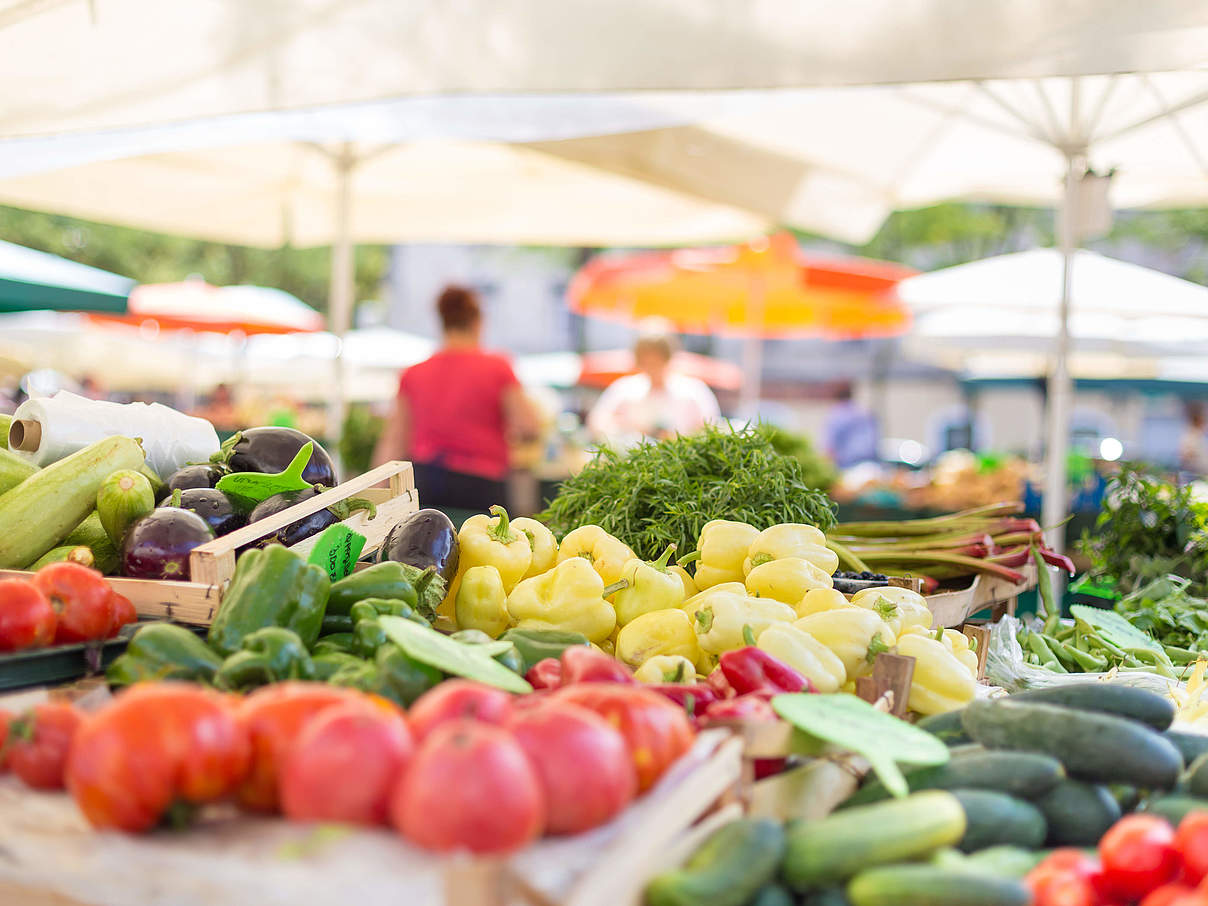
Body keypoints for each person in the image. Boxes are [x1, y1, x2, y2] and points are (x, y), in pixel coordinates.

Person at [372, 285, 538, 511]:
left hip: (426, 481)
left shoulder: (414, 373)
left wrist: (377, 494)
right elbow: (528, 426)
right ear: (478, 321)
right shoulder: (498, 368)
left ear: (442, 322)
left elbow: (394, 440)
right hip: (482, 484)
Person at [587, 328, 721, 444]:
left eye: (657, 361)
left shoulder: (693, 392)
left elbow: (711, 430)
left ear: (668, 359)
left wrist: (678, 438)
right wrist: (626, 430)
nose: (652, 368)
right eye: (647, 362)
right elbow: (597, 423)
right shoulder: (624, 390)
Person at [824, 384, 879, 469]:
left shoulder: (836, 414)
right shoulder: (865, 412)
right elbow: (875, 439)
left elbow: (830, 446)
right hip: (870, 464)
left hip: (846, 466)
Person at [1179, 402, 1208, 477]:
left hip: (1201, 473)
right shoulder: (1190, 435)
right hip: (1195, 474)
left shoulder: (1199, 435)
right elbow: (1185, 455)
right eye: (1204, 421)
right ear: (1198, 421)